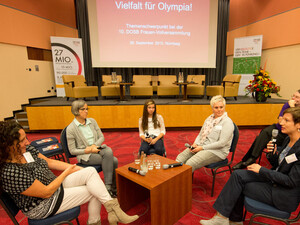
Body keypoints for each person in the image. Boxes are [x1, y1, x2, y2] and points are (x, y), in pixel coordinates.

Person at [0, 121, 138, 225]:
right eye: (22, 140)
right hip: (43, 204)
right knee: (94, 191)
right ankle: (106, 216)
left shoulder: (26, 150)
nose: (27, 142)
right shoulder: (10, 172)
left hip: (54, 185)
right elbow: (45, 192)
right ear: (9, 145)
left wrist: (75, 169)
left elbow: (50, 162)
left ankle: (113, 212)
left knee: (91, 173)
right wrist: (66, 173)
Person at [200, 107, 300, 225]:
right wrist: (272, 155)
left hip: (283, 194)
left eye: (286, 121)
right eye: (282, 119)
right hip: (276, 179)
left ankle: (225, 218)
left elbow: (291, 181)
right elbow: (279, 166)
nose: (281, 122)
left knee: (240, 186)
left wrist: (262, 170)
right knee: (238, 175)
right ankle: (232, 219)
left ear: (298, 125)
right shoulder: (288, 139)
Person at [233, 89, 300, 170]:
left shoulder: (291, 106)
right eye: (293, 96)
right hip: (279, 128)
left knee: (261, 138)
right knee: (264, 133)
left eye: (297, 97)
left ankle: (249, 160)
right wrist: (289, 107)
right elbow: (280, 121)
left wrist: (292, 108)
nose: (293, 98)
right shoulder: (287, 105)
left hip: (288, 135)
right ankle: (250, 159)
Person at [67, 100, 118, 197]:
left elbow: (101, 137)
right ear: (76, 111)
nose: (86, 111)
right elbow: (72, 151)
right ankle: (110, 188)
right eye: (83, 109)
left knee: (108, 151)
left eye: (87, 109)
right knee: (114, 161)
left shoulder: (92, 121)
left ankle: (109, 187)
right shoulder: (71, 129)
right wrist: (89, 150)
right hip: (85, 155)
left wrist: (94, 146)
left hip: (97, 149)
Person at [176, 95, 234, 172]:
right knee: (180, 158)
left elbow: (222, 143)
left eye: (221, 107)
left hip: (217, 152)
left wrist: (202, 148)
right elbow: (200, 134)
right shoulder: (209, 119)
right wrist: (195, 144)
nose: (219, 110)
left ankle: (183, 183)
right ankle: (176, 180)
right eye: (216, 108)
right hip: (202, 146)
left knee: (190, 163)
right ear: (212, 108)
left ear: (224, 107)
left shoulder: (227, 122)